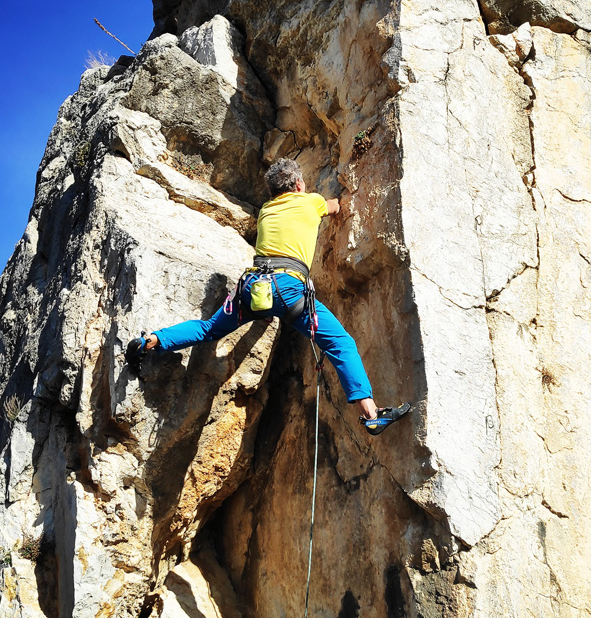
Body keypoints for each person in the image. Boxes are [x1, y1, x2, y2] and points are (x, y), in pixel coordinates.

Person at [127, 158, 409, 434]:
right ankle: (371, 414)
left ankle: (151, 341)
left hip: (252, 288)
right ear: (298, 183)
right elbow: (335, 206)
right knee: (340, 343)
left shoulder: (265, 210)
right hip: (287, 289)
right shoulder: (310, 201)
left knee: (208, 329)